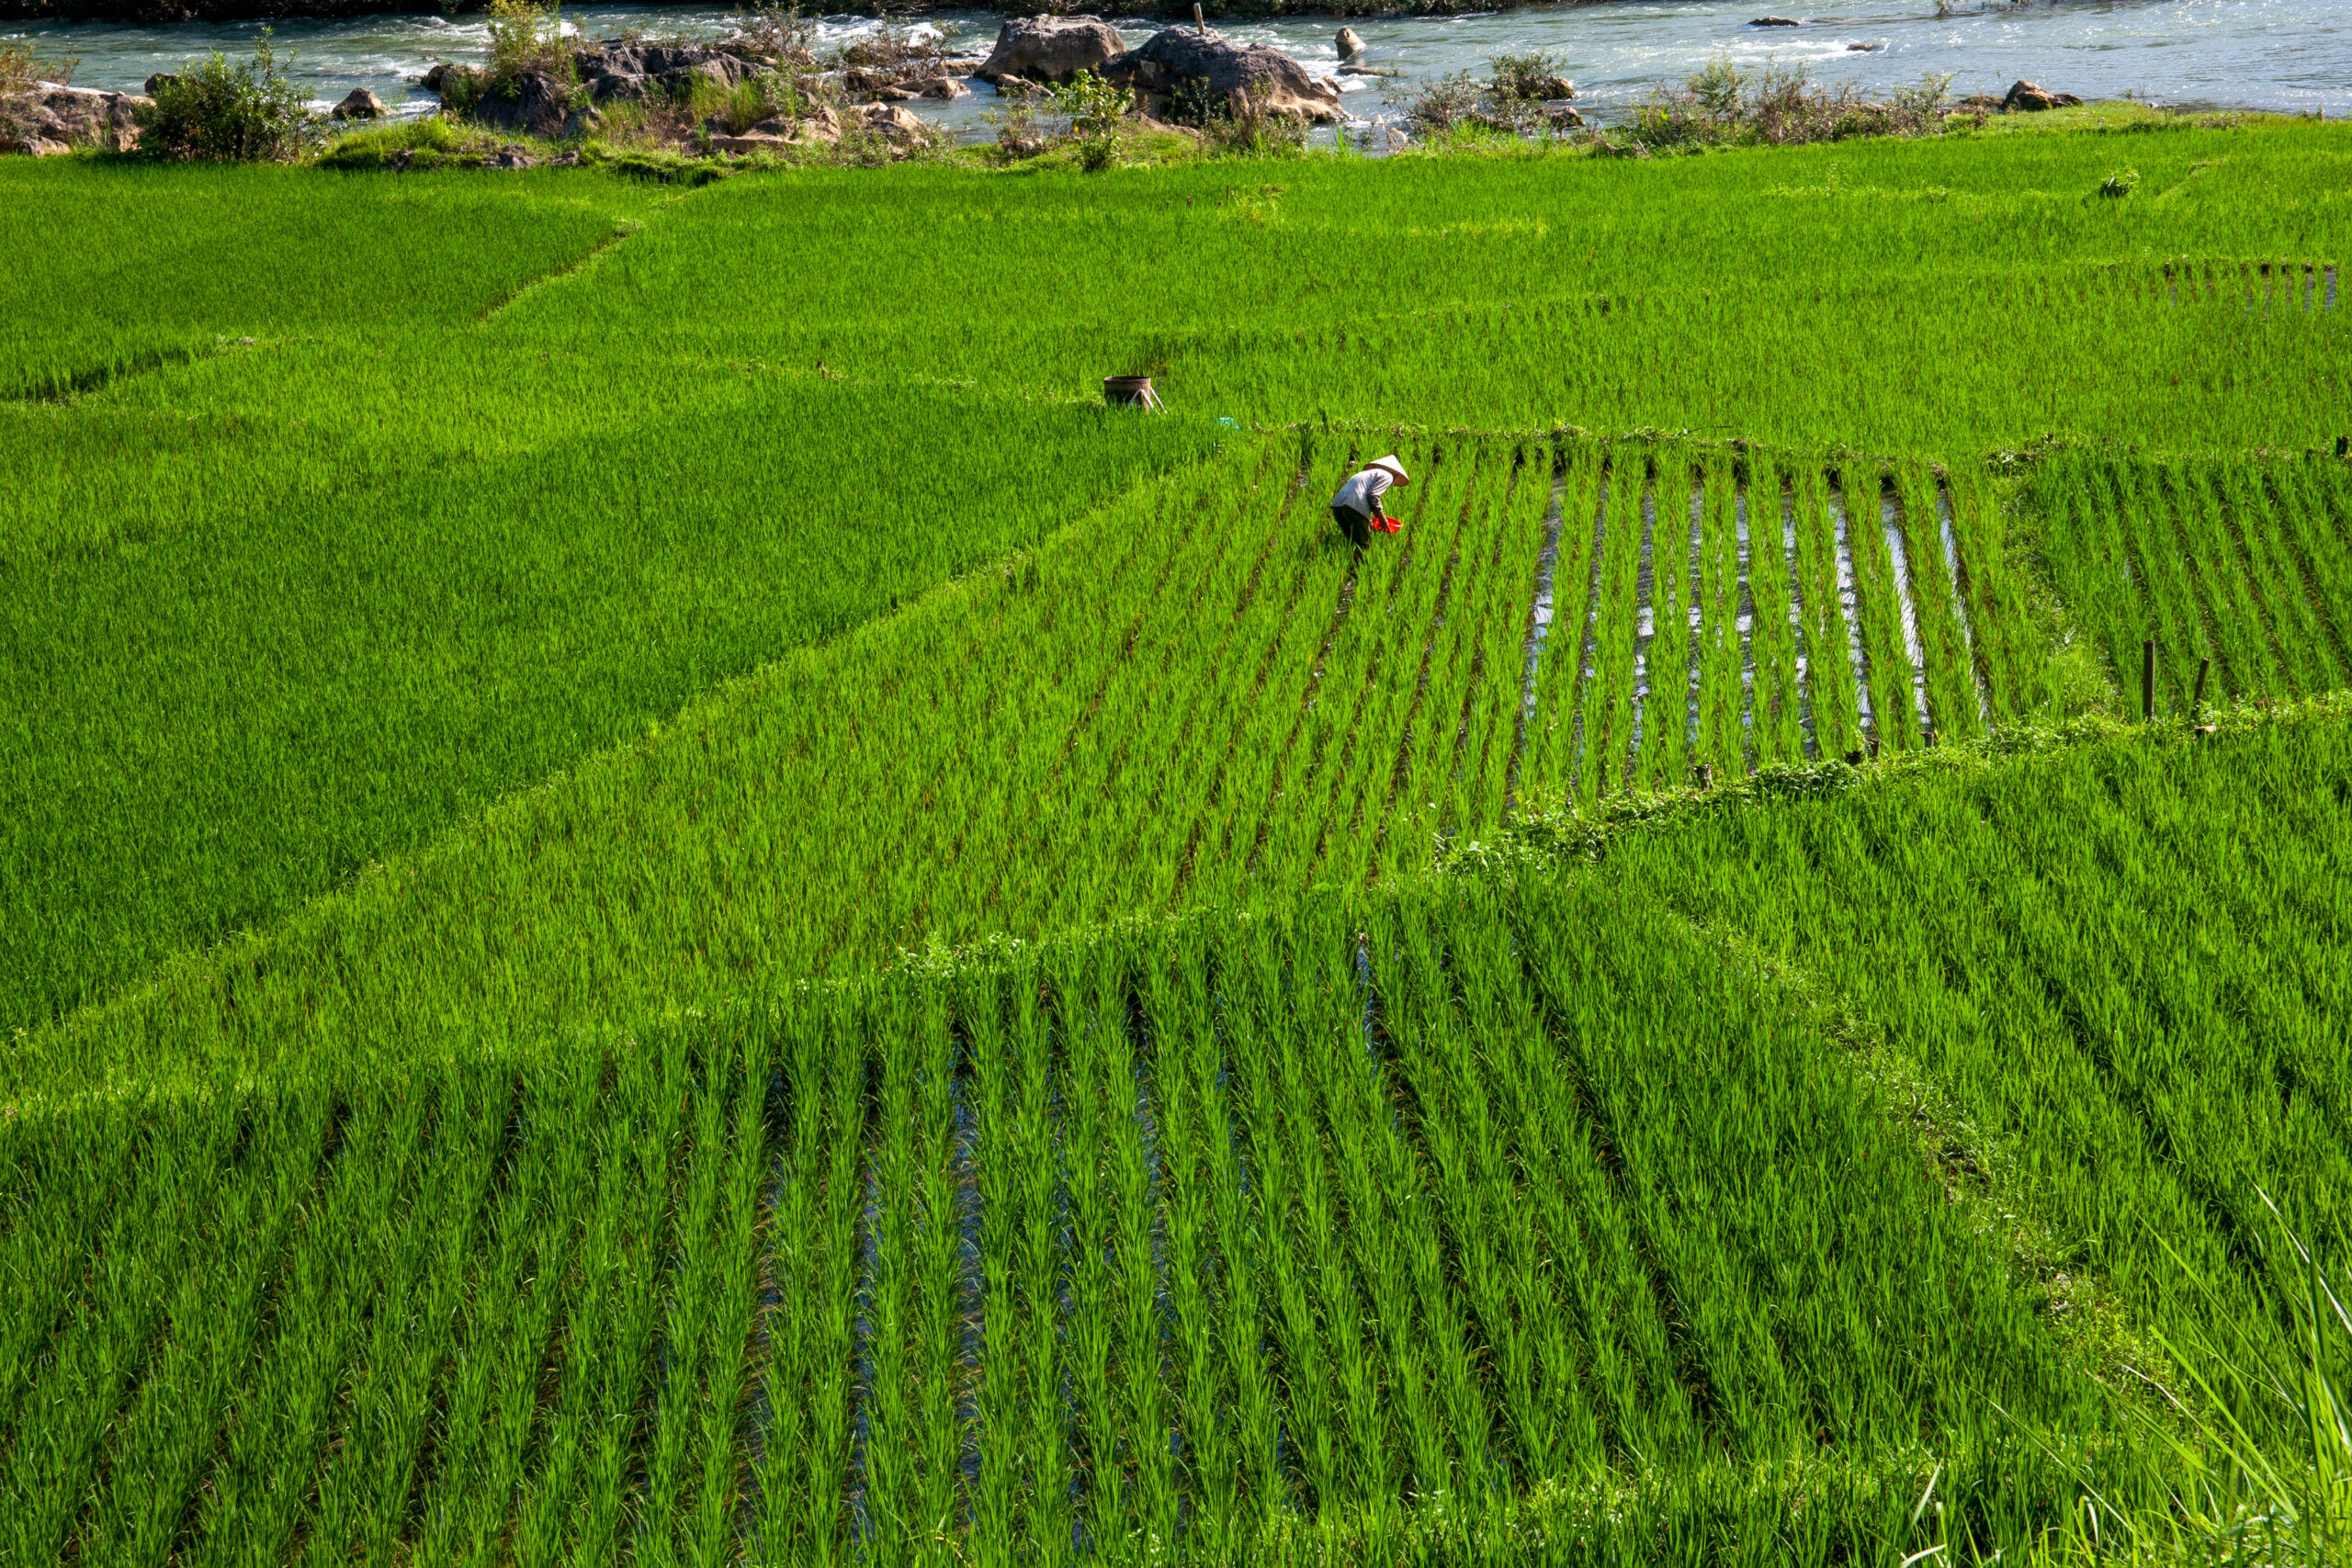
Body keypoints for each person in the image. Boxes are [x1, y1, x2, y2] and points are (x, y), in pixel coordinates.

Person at [1329, 455, 1410, 547]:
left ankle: (1352, 561)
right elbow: (1373, 495)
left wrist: (1370, 521)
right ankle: (1361, 562)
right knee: (1364, 546)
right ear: (1395, 474)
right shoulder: (1388, 475)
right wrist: (1382, 519)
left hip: (1337, 506)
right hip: (1354, 506)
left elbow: (1360, 494)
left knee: (1352, 544)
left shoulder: (1366, 474)